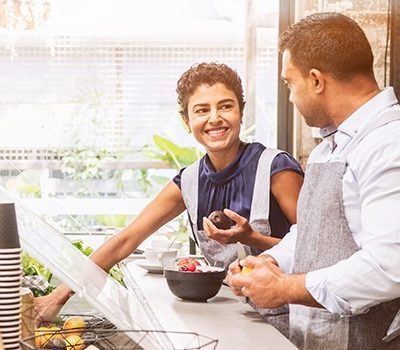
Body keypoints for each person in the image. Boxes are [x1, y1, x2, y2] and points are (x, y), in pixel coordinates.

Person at [34, 62, 304, 326]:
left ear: (241, 113)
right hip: (232, 320)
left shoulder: (276, 168)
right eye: (201, 110)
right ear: (186, 121)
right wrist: (58, 296)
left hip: (288, 320)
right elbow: (125, 240)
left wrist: (252, 238)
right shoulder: (189, 180)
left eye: (226, 106)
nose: (215, 118)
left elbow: (316, 251)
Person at [228, 12, 400, 350]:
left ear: (317, 80)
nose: (290, 96)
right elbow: (311, 234)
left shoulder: (389, 144)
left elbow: (389, 265)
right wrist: (271, 262)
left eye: (289, 83)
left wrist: (284, 288)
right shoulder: (330, 147)